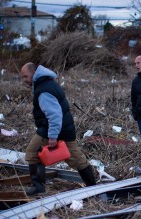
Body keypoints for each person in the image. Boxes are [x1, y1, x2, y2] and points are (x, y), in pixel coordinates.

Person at [19, 62, 96, 196]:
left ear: (33, 73)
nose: (24, 80)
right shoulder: (47, 83)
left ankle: (39, 188)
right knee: (77, 159)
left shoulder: (43, 90)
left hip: (53, 130)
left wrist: (53, 136)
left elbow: (54, 115)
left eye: (25, 76)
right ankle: (93, 187)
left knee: (32, 153)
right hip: (62, 129)